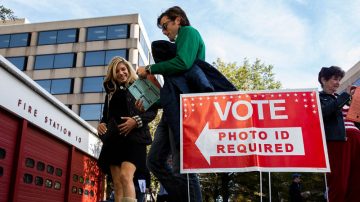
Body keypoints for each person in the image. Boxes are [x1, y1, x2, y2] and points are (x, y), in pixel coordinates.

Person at [97, 56, 157, 202]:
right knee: (117, 185)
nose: (121, 73)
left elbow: (152, 110)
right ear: (113, 74)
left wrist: (135, 121)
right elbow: (106, 117)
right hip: (114, 141)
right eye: (117, 71)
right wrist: (101, 124)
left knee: (126, 176)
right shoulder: (110, 94)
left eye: (123, 69)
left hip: (135, 139)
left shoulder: (139, 85)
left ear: (128, 69)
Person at [318, 66, 355, 202]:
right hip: (338, 141)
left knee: (356, 181)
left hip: (356, 139)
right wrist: (345, 96)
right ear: (323, 80)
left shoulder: (343, 98)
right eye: (335, 79)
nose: (338, 82)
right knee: (339, 182)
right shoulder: (318, 97)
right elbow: (323, 114)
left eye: (339, 79)